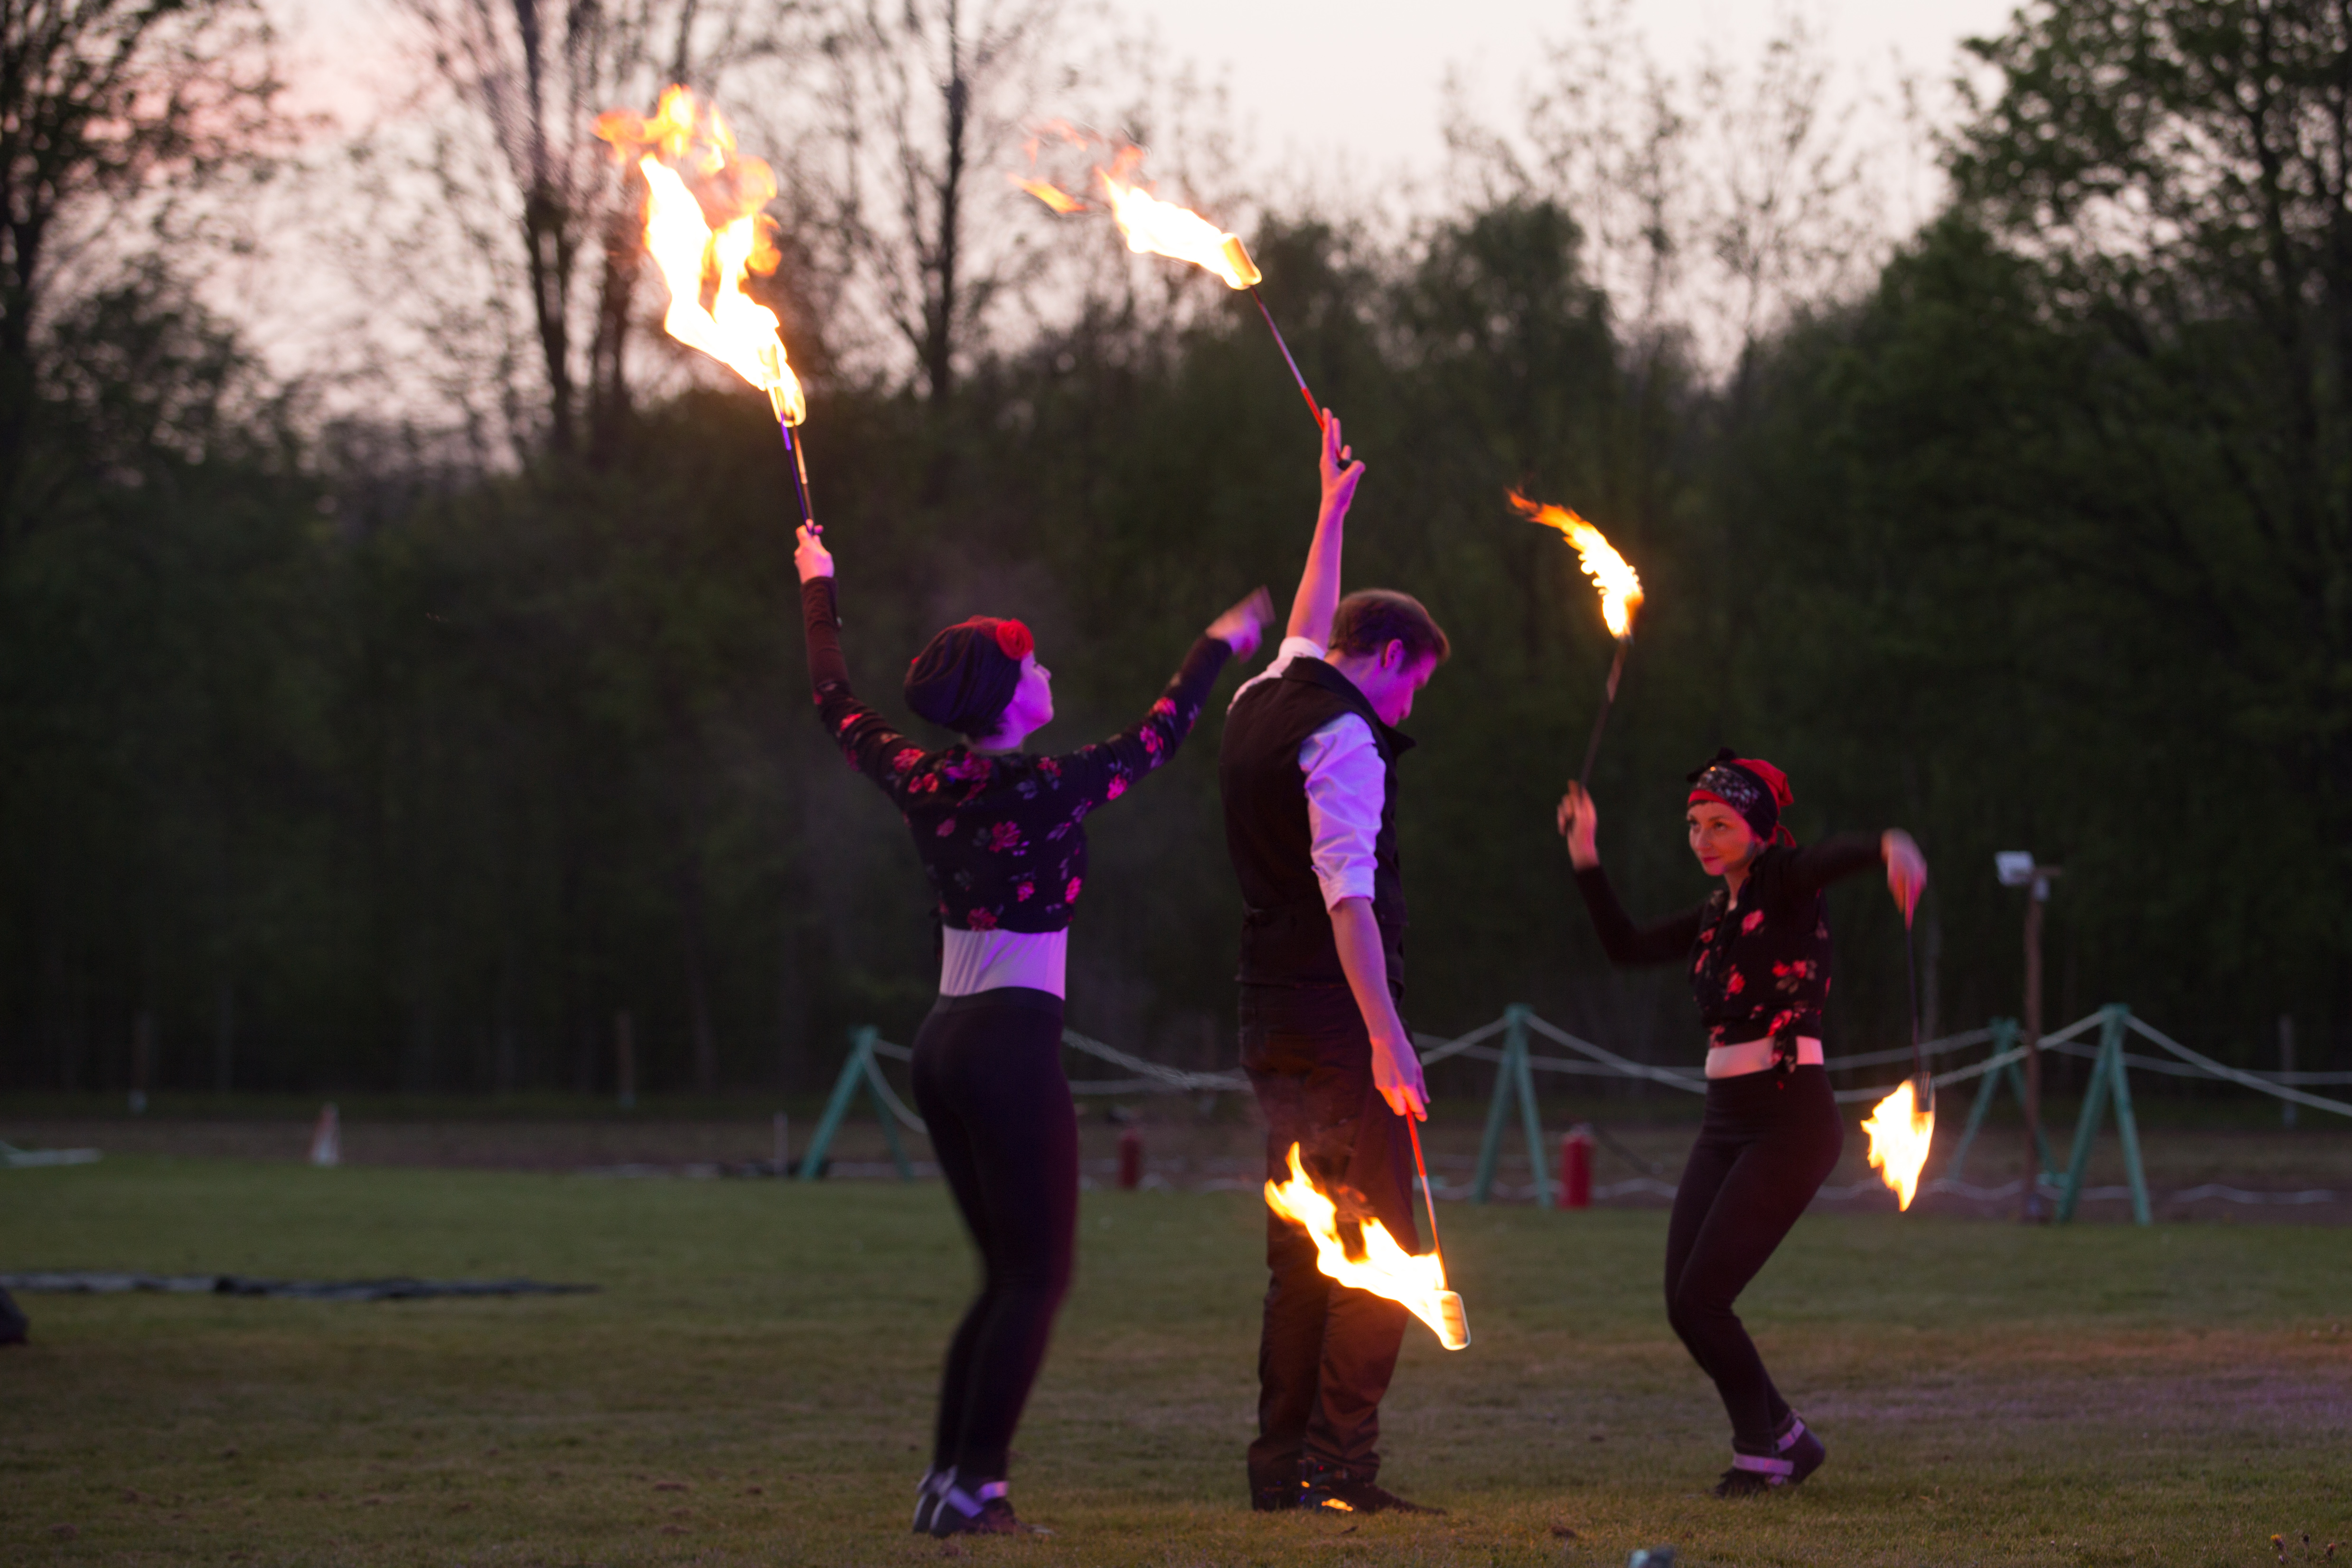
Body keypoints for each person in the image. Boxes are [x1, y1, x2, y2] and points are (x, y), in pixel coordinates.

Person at [795, 521, 1271, 1537]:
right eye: (1033, 663)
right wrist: (1218, 643)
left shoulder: (921, 777)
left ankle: (953, 1485)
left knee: (1007, 1278)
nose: (1046, 670)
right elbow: (1161, 733)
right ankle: (975, 1489)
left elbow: (834, 698)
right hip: (1008, 1047)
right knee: (1037, 1278)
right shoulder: (1045, 789)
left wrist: (816, 581)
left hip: (944, 1047)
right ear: (1008, 699)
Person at [1556, 752, 1926, 1498]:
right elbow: (1627, 947)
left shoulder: (1784, 882)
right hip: (1724, 1123)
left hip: (1790, 1121)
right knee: (1685, 1304)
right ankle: (1786, 1437)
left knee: (1703, 1300)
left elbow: (1824, 860)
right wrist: (1586, 855)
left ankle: (1764, 1453)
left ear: (1758, 829)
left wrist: (1887, 846)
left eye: (1721, 824)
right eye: (1694, 825)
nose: (1704, 839)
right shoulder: (1713, 915)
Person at [1218, 413, 1450, 1518]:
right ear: (1391, 657)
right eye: (1415, 685)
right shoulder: (1346, 736)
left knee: (1299, 1248)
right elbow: (1347, 896)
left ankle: (1283, 1466)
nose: (1407, 709)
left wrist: (1330, 509)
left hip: (1267, 1013)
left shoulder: (1260, 700)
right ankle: (1341, 1466)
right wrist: (1388, 1035)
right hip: (1337, 1022)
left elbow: (1308, 630)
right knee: (1374, 1242)